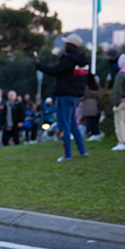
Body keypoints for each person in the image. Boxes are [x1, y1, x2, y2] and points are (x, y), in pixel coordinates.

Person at [35, 34, 89, 162]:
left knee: (63, 125)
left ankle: (67, 154)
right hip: (76, 96)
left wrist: (38, 65)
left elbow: (54, 71)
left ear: (72, 46)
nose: (65, 46)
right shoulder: (83, 61)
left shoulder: (69, 60)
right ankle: (82, 151)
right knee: (73, 124)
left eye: (67, 44)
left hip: (64, 95)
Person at [81, 75, 101, 141]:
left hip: (87, 105)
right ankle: (96, 133)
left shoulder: (86, 86)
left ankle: (90, 133)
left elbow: (83, 95)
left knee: (88, 121)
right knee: (95, 121)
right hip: (95, 104)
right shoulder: (96, 86)